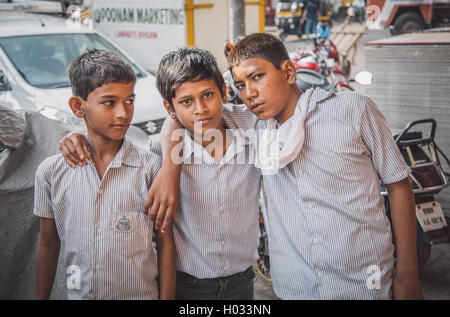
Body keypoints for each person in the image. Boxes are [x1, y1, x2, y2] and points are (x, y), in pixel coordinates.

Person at [151, 33, 424, 300]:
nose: (250, 94)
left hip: (365, 282)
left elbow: (399, 184)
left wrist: (408, 274)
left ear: (289, 72)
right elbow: (182, 113)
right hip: (295, 288)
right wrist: (169, 166)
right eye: (241, 85)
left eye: (258, 77)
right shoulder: (254, 126)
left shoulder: (352, 110)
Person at [58, 47, 261, 300]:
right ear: (170, 108)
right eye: (187, 101)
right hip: (188, 285)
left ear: (223, 92)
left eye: (208, 95)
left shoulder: (254, 132)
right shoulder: (158, 155)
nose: (200, 109)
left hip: (242, 282)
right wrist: (76, 137)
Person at [33, 49, 176, 300]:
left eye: (129, 101)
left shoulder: (151, 169)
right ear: (78, 107)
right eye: (109, 102)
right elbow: (47, 244)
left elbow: (165, 244)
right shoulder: (51, 173)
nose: (123, 113)